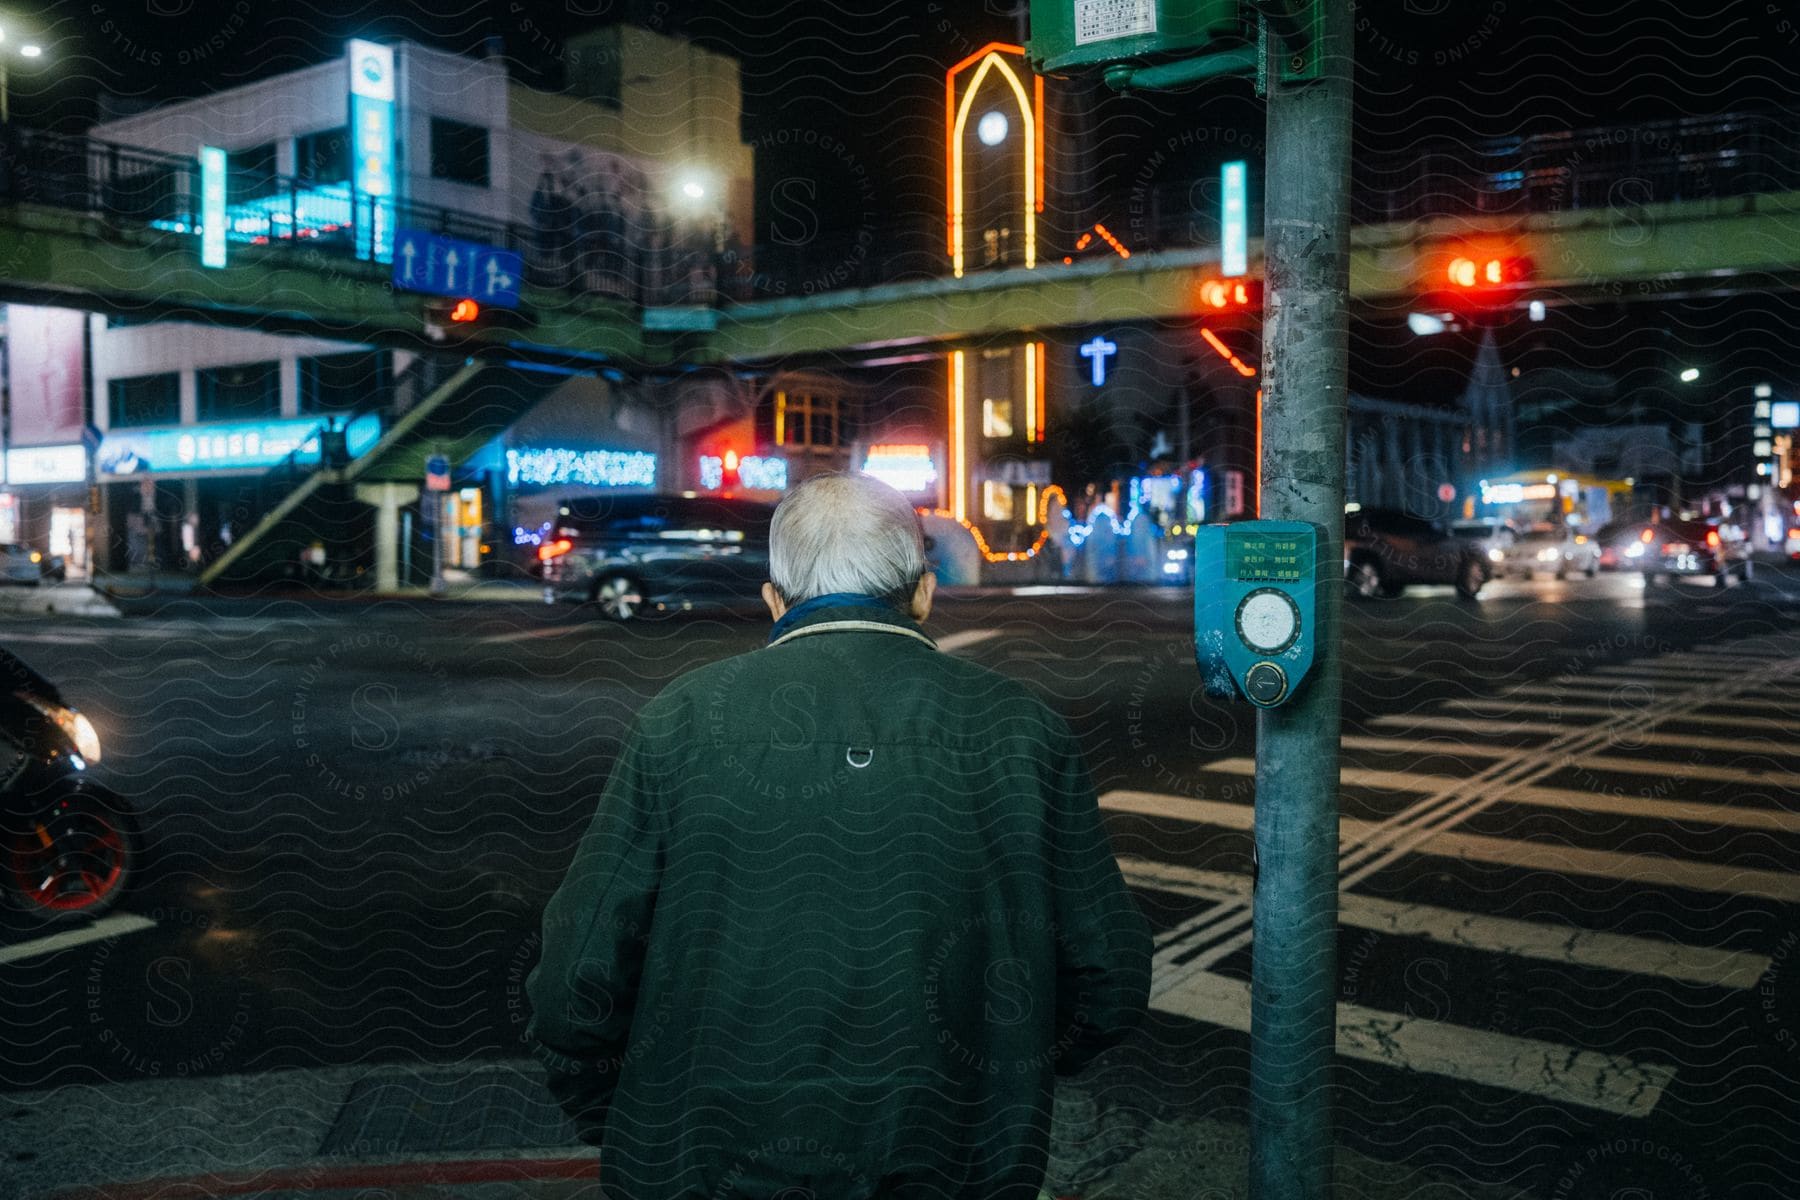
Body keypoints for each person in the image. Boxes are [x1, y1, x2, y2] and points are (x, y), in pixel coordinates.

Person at [527, 472, 1150, 1200]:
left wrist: (626, 1121)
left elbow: (575, 984)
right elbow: (1108, 976)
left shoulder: (682, 720)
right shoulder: (1021, 730)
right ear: (922, 592)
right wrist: (1001, 1079)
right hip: (955, 1161)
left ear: (774, 600)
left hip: (703, 1161)